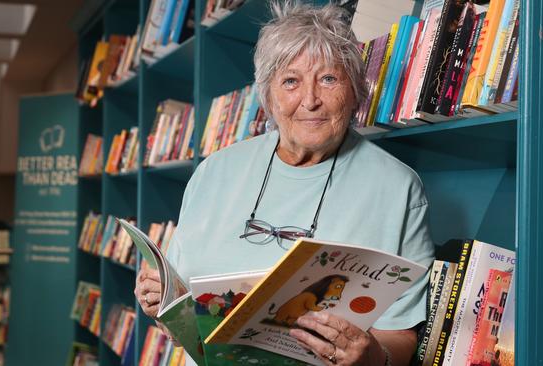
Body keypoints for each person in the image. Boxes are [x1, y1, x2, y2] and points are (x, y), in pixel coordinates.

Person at [135, 1, 434, 365]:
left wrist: (372, 358)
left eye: (328, 78)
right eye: (291, 81)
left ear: (355, 90)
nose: (310, 100)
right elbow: (183, 308)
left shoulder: (399, 188)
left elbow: (400, 335)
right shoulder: (213, 172)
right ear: (269, 97)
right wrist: (161, 302)